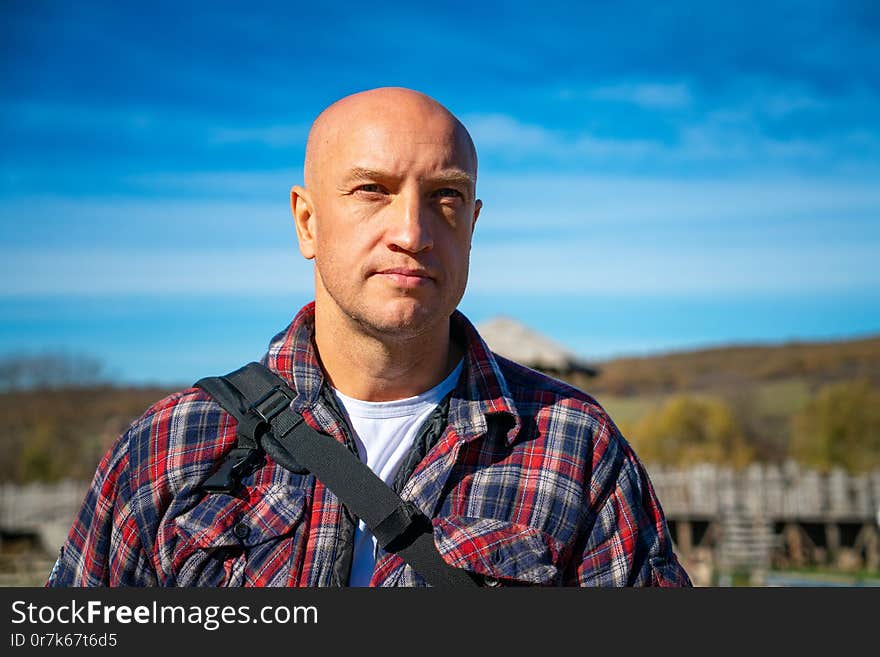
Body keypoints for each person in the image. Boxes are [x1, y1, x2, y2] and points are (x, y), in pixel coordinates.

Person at [47, 87, 691, 587]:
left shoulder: (572, 445)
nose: (411, 231)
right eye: (371, 191)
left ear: (472, 224)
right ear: (307, 222)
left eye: (445, 196)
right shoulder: (171, 446)